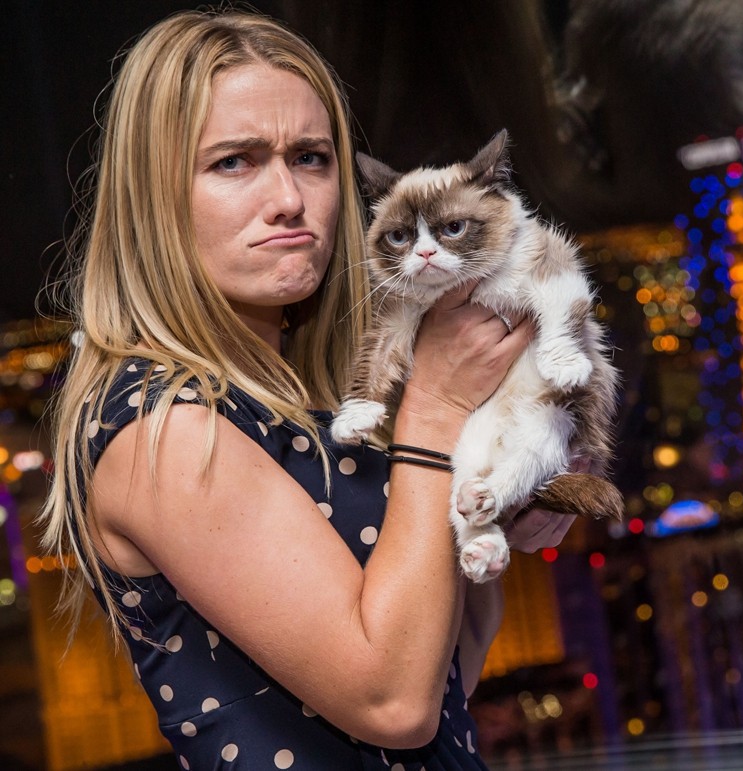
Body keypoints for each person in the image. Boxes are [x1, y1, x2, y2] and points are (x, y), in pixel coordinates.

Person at [39, 8, 575, 769]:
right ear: (152, 198)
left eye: (312, 158)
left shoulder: (300, 402)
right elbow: (393, 703)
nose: (290, 197)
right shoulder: (164, 426)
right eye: (235, 161)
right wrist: (435, 409)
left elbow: (449, 669)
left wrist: (480, 494)